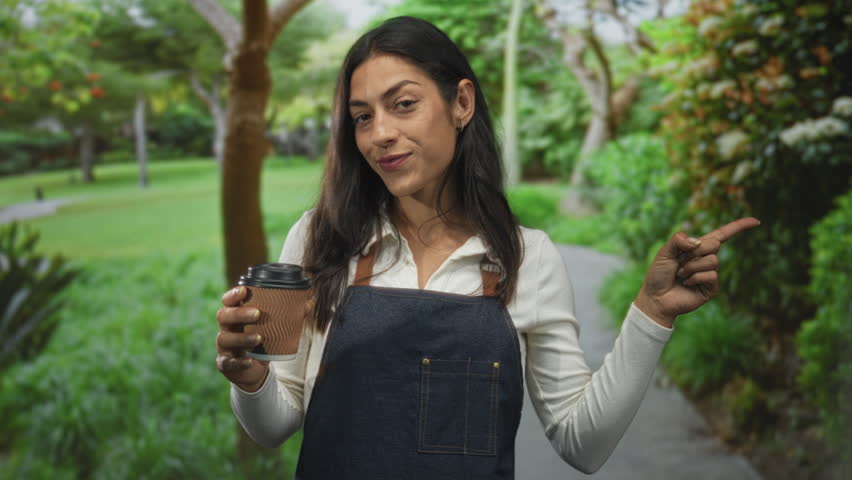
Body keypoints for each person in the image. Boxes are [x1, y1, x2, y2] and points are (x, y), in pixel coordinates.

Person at [215, 16, 759, 479]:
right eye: (362, 117)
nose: (378, 133)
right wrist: (249, 375)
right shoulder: (319, 239)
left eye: (402, 104)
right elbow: (274, 426)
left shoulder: (526, 258)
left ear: (462, 103)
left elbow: (583, 443)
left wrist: (652, 314)